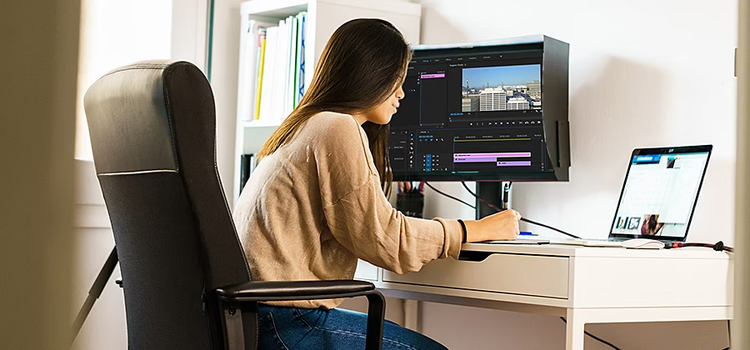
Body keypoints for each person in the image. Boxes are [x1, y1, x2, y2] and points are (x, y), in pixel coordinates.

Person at [233, 18, 521, 350]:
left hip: (260, 318)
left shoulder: (302, 127)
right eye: (397, 80)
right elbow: (389, 242)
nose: (401, 93)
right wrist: (476, 229)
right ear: (370, 75)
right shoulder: (335, 128)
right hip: (289, 323)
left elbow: (372, 233)